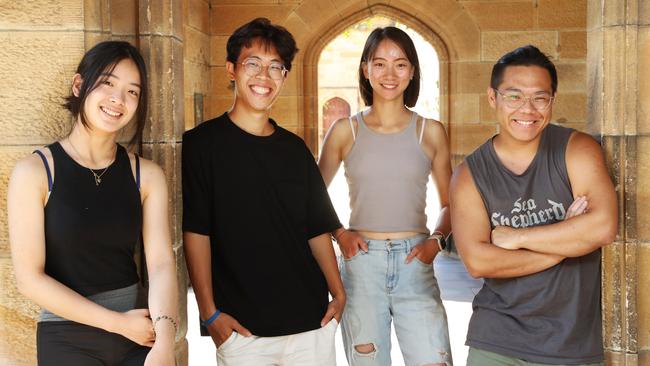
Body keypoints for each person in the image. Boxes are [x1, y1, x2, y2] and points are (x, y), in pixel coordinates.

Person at [182, 17, 345, 365]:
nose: (264, 77)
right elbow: (197, 232)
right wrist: (209, 313)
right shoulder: (200, 145)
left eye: (275, 67)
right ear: (231, 69)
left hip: (310, 324)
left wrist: (339, 292)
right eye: (253, 64)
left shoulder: (294, 149)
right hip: (243, 331)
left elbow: (316, 227)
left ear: (284, 77)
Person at [7, 41, 178, 365]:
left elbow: (160, 264)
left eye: (132, 91)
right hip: (66, 337)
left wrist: (165, 343)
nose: (119, 100)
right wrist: (118, 324)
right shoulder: (35, 172)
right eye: (108, 83)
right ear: (79, 85)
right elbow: (29, 279)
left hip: (140, 333)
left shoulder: (147, 175)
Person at [449, 45, 617, 366]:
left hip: (572, 345)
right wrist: (568, 241)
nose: (528, 109)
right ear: (492, 98)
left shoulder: (576, 149)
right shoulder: (469, 175)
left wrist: (518, 238)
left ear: (552, 100)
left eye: (540, 98)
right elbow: (479, 262)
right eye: (514, 96)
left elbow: (603, 227)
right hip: (496, 340)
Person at [318, 26, 453, 366]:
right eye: (379, 64)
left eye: (400, 64)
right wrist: (340, 233)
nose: (389, 74)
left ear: (412, 72)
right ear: (365, 69)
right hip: (361, 265)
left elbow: (452, 203)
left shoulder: (431, 131)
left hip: (415, 264)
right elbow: (313, 196)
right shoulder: (344, 130)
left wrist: (436, 242)